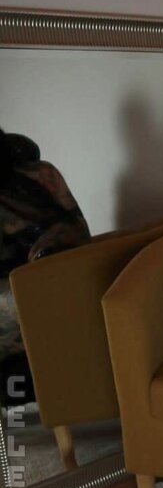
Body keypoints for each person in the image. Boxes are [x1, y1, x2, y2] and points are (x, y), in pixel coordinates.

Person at [0, 129, 91, 399]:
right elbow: (80, 232)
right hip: (78, 284)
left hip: (34, 298)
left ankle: (14, 413)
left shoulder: (32, 179)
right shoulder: (44, 173)